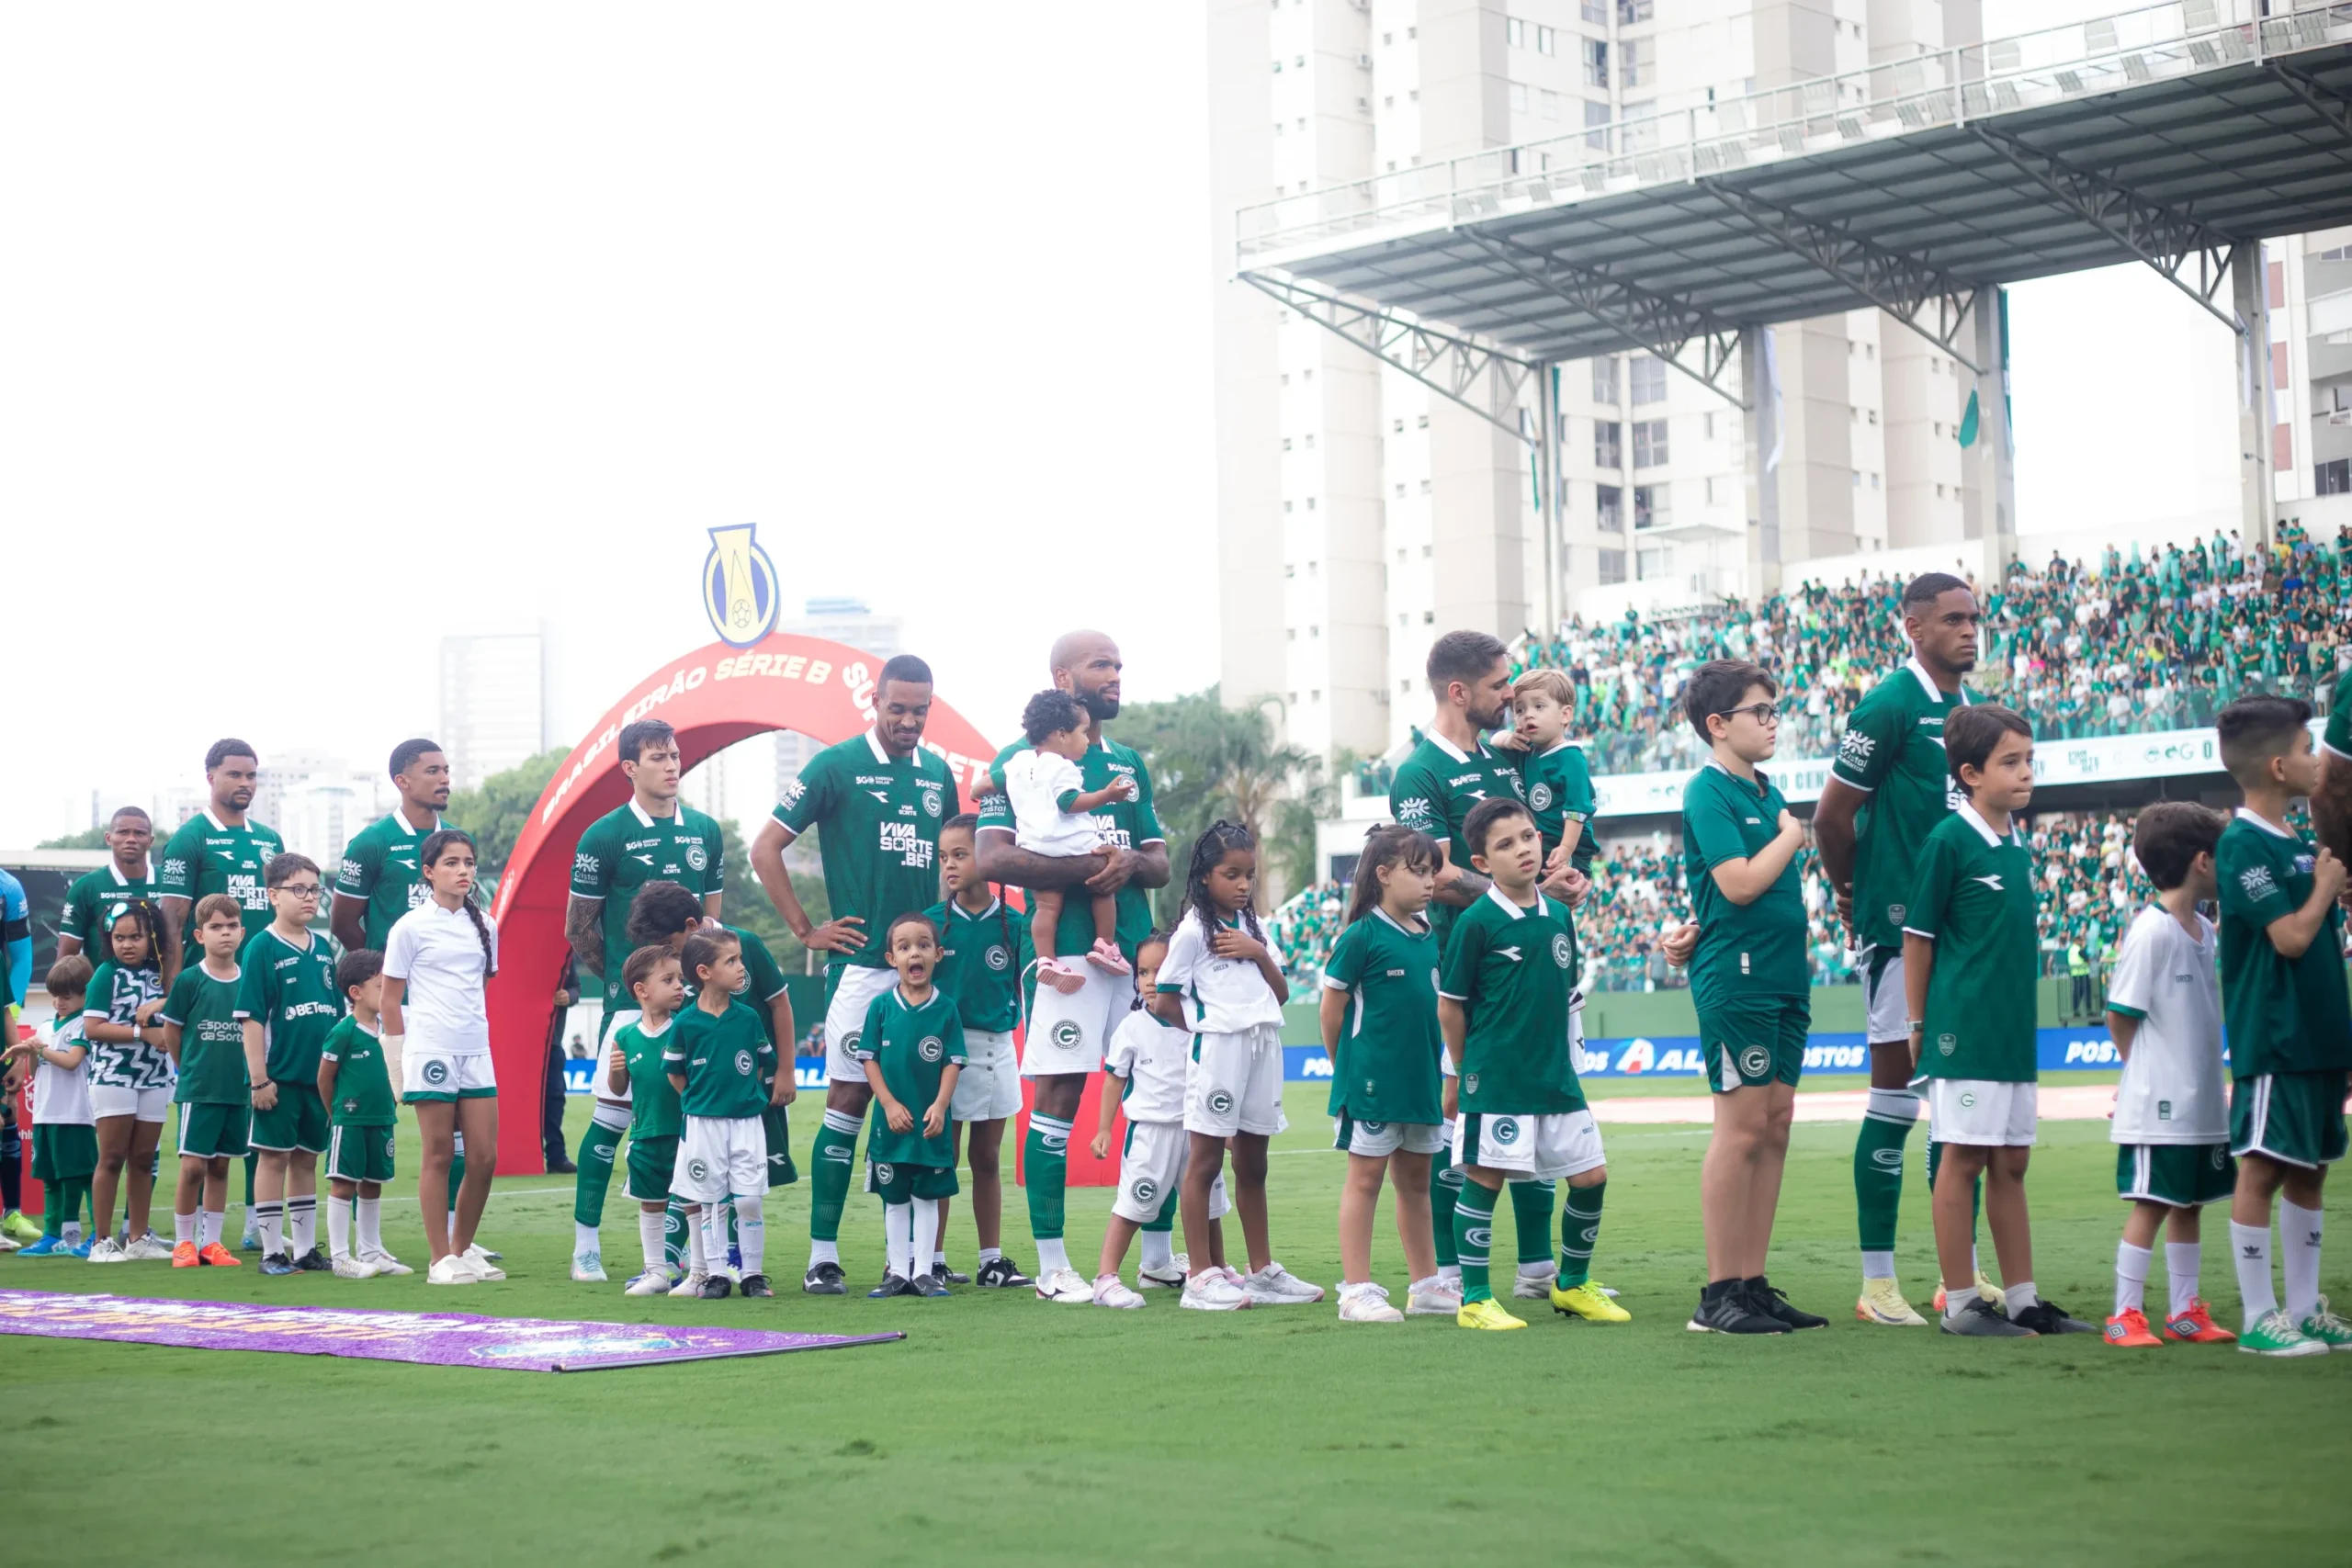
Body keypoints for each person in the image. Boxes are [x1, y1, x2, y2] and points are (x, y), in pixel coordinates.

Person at [751, 654, 959, 1296]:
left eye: (919, 711)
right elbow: (765, 848)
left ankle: (924, 1259)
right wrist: (807, 930)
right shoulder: (834, 765)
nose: (908, 720)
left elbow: (956, 857)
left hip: (928, 971)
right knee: (848, 1103)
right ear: (874, 700)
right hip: (862, 975)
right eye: (897, 708)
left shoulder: (938, 774)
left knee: (933, 1108)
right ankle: (823, 1255)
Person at [1811, 573, 1988, 1327]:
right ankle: (1877, 1282)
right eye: (1952, 619)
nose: (1969, 631)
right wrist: (1852, 893)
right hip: (1896, 928)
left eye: (1975, 618)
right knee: (1895, 1098)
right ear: (1912, 627)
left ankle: (1961, 1277)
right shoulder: (1887, 704)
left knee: (1961, 1107)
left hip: (1960, 928)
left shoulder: (1964, 711)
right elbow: (1830, 814)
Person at [973, 632, 1170, 1302]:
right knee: (1058, 1100)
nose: (1116, 675)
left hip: (1135, 954)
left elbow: (1159, 860)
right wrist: (1087, 870)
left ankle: (1160, 1255)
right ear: (1064, 679)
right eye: (1102, 665)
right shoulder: (1018, 761)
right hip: (1065, 956)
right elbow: (993, 860)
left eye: (1119, 664)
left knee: (1160, 1093)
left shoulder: (1126, 761)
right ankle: (1054, 1267)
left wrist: (1131, 865)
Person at [1905, 704, 2092, 1337]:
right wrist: (1918, 1021)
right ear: (1969, 772)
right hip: (1965, 1029)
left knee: (2011, 1162)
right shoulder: (1948, 840)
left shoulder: (2014, 839)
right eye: (2010, 762)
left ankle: (2023, 1300)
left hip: (2013, 1030)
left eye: (2029, 760)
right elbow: (1918, 937)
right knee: (1963, 1158)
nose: (2026, 773)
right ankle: (1960, 1302)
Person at [1389, 631, 1560, 1300]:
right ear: (1459, 691)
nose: (1510, 694)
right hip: (1463, 968)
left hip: (1529, 964)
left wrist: (1553, 880)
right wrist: (1517, 894)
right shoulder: (1418, 771)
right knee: (1457, 1113)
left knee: (1535, 1099)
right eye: (1498, 685)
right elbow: (1436, 871)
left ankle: (1539, 1268)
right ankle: (1452, 1272)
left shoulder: (1503, 760)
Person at [1438, 798, 1625, 1331]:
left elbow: (1564, 996)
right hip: (1497, 1075)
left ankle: (1571, 1285)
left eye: (1527, 837)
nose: (1522, 849)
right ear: (1481, 863)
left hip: (1555, 1075)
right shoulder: (1476, 923)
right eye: (1505, 844)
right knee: (1486, 1179)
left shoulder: (1561, 915)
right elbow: (1450, 1005)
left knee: (1591, 1177)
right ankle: (1475, 1299)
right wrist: (1461, 1067)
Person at [1678, 660, 1824, 1335]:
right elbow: (1737, 884)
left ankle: (1753, 1281)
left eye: (1773, 709)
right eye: (1759, 710)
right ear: (1718, 724)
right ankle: (1718, 1293)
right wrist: (1794, 835)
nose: (1772, 721)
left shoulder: (1766, 791)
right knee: (1739, 1131)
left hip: (1783, 976)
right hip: (1736, 979)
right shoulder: (1709, 791)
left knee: (1776, 1124)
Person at [564, 718, 726, 1283]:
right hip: (629, 1008)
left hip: (691, 1010)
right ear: (630, 768)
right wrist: (624, 979)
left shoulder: (706, 830)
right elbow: (579, 928)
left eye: (675, 755)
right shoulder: (603, 835)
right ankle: (586, 1246)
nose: (672, 765)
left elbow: (711, 923)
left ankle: (676, 1255)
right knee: (609, 1127)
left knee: (684, 1129)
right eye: (658, 757)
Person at [2214, 695, 2352, 1355]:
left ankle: (2304, 1307)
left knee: (2312, 1169)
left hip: (2321, 1038)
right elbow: (2291, 939)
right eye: (2305, 748)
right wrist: (2324, 889)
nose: (2315, 758)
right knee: (2264, 1167)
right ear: (2276, 766)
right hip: (2276, 1039)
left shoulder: (2298, 843)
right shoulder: (2242, 844)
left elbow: (2321, 938)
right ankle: (2260, 1316)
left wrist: (2332, 893)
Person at [1156, 820, 1321, 1311]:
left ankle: (1262, 1271)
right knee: (1205, 1161)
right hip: (1221, 1050)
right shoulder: (1190, 933)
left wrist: (1257, 952)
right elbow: (1164, 999)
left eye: (1249, 875)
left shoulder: (1254, 927)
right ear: (1206, 876)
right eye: (1232, 874)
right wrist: (1206, 1030)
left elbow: (1284, 991)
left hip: (1264, 1044)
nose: (1244, 884)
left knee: (1254, 1162)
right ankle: (1202, 1277)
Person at [2100, 803, 2236, 1348]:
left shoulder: (2204, 927)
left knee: (2190, 1204)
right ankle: (2124, 1313)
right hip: (2160, 1105)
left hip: (2202, 1103)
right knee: (2153, 1204)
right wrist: (2145, 1073)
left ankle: (2185, 1311)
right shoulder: (2152, 932)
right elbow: (2120, 1015)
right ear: (2203, 862)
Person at [623, 880, 797, 1283]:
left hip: (752, 1087)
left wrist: (785, 1070)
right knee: (703, 1178)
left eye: (673, 945)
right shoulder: (681, 974)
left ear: (691, 925)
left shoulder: (745, 944)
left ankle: (742, 1261)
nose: (672, 960)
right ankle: (699, 1267)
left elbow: (780, 1003)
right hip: (704, 1099)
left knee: (748, 1181)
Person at [334, 740, 478, 1224]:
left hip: (442, 1010)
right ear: (402, 780)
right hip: (391, 1006)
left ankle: (460, 1232)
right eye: (432, 771)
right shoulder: (371, 843)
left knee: (457, 1122)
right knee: (370, 1114)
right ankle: (357, 1237)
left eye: (447, 770)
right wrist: (378, 978)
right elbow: (344, 922)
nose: (444, 779)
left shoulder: (454, 842)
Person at [156, 739, 285, 1250]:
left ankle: (260, 1217)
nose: (245, 784)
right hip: (211, 991)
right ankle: (165, 1229)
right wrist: (170, 994)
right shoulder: (190, 838)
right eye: (235, 774)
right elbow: (171, 921)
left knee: (265, 1098)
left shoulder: (271, 839)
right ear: (210, 776)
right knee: (201, 1125)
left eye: (252, 775)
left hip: (267, 989)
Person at [1317, 824, 1449, 1324]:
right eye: (1417, 872)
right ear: (1384, 875)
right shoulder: (1362, 935)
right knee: (1366, 1179)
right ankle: (1355, 1290)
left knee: (1417, 1182)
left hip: (1421, 1081)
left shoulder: (1427, 932)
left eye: (1432, 871)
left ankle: (1427, 1285)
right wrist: (1346, 1068)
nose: (1429, 882)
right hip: (1372, 1084)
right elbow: (1332, 1011)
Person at [1090, 932, 1235, 1307]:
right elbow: (1114, 1079)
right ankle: (1106, 1279)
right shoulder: (1132, 1027)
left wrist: (1227, 1129)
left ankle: (1215, 1269)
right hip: (1151, 1134)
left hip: (1199, 1131)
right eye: (1143, 971)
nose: (1151, 979)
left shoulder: (1200, 1023)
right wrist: (1104, 1128)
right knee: (1134, 1204)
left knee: (1210, 1205)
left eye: (1161, 969)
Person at [384, 829, 503, 1286]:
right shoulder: (409, 927)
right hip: (429, 1048)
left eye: (469, 863)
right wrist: (398, 1064)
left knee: (484, 1158)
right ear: (429, 872)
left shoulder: (486, 925)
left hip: (476, 1050)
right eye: (452, 863)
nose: (464, 871)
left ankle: (462, 1249)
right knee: (437, 1154)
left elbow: (481, 986)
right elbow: (391, 1002)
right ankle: (439, 1260)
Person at [923, 814, 1035, 1289]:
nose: (950, 865)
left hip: (996, 1049)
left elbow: (1024, 988)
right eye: (944, 856)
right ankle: (932, 1258)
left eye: (961, 854)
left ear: (986, 858)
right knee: (940, 1159)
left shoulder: (1015, 924)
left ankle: (992, 1260)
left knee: (987, 1157)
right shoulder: (928, 925)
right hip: (942, 1056)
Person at [664, 930, 786, 1300]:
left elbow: (765, 1063)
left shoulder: (748, 1018)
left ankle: (752, 1274)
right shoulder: (685, 1022)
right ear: (704, 971)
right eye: (731, 961)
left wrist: (743, 1096)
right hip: (703, 1124)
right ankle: (715, 1274)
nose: (741, 968)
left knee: (747, 1199)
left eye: (740, 959)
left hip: (747, 1122)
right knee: (710, 1201)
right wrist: (701, 1101)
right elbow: (674, 1072)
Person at [237, 853, 341, 1276]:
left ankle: (303, 1250)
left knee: (306, 1160)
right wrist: (259, 1080)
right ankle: (270, 1253)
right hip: (277, 1078)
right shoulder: (261, 947)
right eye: (298, 889)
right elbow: (252, 1019)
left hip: (315, 1080)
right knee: (273, 1158)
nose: (309, 898)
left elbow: (335, 1017)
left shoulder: (322, 948)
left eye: (315, 889)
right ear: (273, 895)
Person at [852, 913, 964, 1300]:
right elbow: (869, 1060)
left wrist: (940, 1105)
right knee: (895, 1198)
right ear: (891, 958)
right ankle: (897, 1272)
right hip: (891, 1125)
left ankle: (925, 1272)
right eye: (904, 947)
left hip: (930, 1123)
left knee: (928, 1196)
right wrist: (887, 1103)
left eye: (923, 945)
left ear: (938, 954)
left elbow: (953, 1061)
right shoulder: (881, 1007)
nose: (914, 953)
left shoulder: (946, 1009)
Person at [1002, 688, 1136, 990]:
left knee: (1047, 908)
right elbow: (1068, 802)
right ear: (1061, 735)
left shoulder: (1022, 761)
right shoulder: (1063, 767)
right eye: (1083, 732)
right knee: (1104, 884)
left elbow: (998, 779)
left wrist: (981, 786)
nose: (1088, 740)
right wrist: (1106, 795)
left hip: (1036, 848)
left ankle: (1046, 959)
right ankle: (1105, 945)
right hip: (1072, 846)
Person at [159, 895, 253, 1268]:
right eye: (216, 927)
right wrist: (189, 1069)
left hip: (238, 1089)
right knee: (194, 1165)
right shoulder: (189, 980)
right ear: (200, 934)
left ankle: (211, 1243)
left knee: (221, 1165)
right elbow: (171, 1031)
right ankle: (183, 1242)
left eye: (231, 926)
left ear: (242, 932)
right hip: (200, 1088)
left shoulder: (249, 980)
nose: (225, 933)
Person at [80, 900, 173, 1260]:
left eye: (136, 936)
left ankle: (137, 1238)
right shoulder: (106, 973)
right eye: (119, 937)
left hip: (155, 1075)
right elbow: (92, 1028)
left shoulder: (162, 972)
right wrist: (141, 1034)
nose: (127, 944)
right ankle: (101, 1241)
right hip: (114, 1075)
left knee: (143, 1158)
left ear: (151, 937)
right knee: (112, 1157)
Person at [317, 949, 410, 1278]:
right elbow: (324, 1078)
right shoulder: (343, 1032)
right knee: (343, 1185)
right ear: (356, 993)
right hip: (350, 1122)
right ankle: (341, 1257)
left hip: (382, 1120)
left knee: (373, 1185)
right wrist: (338, 1114)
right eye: (380, 986)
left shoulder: (390, 1030)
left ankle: (371, 1250)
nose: (388, 993)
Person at [607, 944, 691, 1296]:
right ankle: (656, 1271)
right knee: (650, 1202)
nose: (679, 987)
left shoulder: (685, 1028)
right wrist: (615, 1071)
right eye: (669, 979)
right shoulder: (625, 1036)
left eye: (681, 980)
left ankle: (699, 1272)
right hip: (645, 1133)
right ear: (641, 990)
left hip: (686, 1132)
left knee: (693, 1201)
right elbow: (620, 1087)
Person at [7, 956, 97, 1256]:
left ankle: (96, 1234)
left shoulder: (84, 1024)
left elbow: (72, 1062)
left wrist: (41, 1049)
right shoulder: (46, 1026)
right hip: (46, 1113)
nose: (59, 1002)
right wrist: (29, 1052)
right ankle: (52, 1235)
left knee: (82, 1176)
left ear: (85, 995)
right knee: (51, 1177)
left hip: (76, 1113)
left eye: (67, 997)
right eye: (56, 996)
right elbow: (35, 1069)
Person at [1509, 668, 1598, 883]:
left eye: (1539, 706)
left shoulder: (1570, 758)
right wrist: (1505, 739)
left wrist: (1566, 849)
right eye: (1520, 710)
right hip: (1540, 844)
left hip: (1568, 847)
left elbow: (1577, 810)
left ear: (1565, 715)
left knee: (1559, 901)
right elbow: (1494, 742)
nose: (1528, 714)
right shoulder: (1526, 749)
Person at [55, 807, 159, 964]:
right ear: (108, 838)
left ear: (150, 841)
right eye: (123, 832)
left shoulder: (170, 882)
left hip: (160, 987)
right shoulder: (85, 887)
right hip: (103, 986)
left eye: (139, 833)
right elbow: (66, 958)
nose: (131, 839)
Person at [543, 955, 580, 1173]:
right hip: (522, 1043)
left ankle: (556, 1156)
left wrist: (569, 995)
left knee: (555, 1100)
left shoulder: (564, 955)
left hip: (553, 1043)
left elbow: (576, 988)